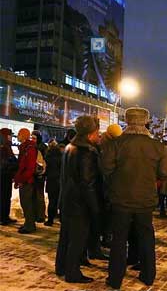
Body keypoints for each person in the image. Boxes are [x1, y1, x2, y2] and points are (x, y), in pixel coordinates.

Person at [102, 107, 167, 289]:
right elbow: (165, 172)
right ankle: (148, 275)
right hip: (145, 200)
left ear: (127, 121)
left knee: (119, 240)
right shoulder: (157, 146)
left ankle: (115, 278)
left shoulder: (116, 144)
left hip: (120, 199)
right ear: (146, 122)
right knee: (147, 237)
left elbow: (106, 169)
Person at [55, 115, 101, 283]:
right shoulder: (86, 152)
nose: (98, 136)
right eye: (97, 132)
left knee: (65, 237)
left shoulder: (69, 147)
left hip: (67, 200)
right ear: (90, 134)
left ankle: (61, 267)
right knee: (77, 240)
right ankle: (72, 273)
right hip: (79, 204)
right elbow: (87, 183)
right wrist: (95, 207)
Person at [13, 128, 37, 234]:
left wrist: (22, 179)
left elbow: (29, 167)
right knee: (25, 203)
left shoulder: (29, 148)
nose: (17, 135)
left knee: (27, 204)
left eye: (19, 134)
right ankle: (28, 223)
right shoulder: (25, 147)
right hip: (24, 179)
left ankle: (30, 225)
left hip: (27, 181)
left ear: (24, 135)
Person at [0, 128, 18, 225]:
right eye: (10, 135)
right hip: (4, 175)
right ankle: (4, 218)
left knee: (5, 196)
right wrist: (14, 163)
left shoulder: (6, 145)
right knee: (5, 197)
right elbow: (7, 161)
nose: (11, 137)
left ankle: (4, 216)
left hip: (5, 174)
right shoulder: (4, 146)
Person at [44, 139, 62, 226]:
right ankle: (60, 217)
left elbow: (45, 169)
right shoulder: (61, 156)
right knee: (59, 200)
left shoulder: (48, 156)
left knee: (52, 200)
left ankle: (50, 220)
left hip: (51, 180)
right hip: (59, 181)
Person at [31, 130, 48, 223]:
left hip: (40, 175)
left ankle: (41, 215)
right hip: (33, 174)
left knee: (39, 195)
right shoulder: (33, 146)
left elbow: (45, 161)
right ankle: (35, 214)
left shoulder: (42, 147)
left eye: (34, 138)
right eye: (31, 138)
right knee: (34, 195)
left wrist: (42, 172)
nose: (32, 140)